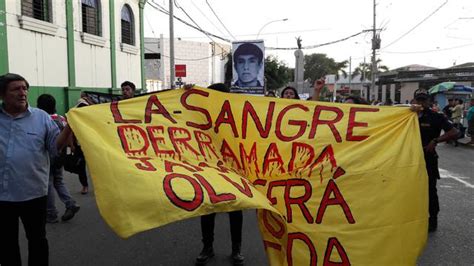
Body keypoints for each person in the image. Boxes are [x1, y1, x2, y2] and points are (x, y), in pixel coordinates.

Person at [0, 73, 72, 265]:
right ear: (2, 95)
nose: (22, 93)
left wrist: (69, 128)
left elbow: (54, 148)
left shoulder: (41, 118)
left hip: (33, 193)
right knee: (6, 243)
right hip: (2, 195)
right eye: (16, 89)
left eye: (25, 88)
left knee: (38, 240)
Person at [195, 83, 245, 266]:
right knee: (208, 210)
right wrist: (186, 92)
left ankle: (236, 249)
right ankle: (207, 247)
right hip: (209, 171)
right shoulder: (201, 115)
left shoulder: (237, 116)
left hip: (233, 171)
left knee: (235, 211)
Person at [412, 89, 458, 233]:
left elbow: (455, 132)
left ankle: (432, 219)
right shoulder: (406, 116)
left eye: (423, 100)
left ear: (428, 101)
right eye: (418, 100)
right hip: (408, 159)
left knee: (430, 189)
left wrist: (436, 140)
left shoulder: (436, 116)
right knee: (408, 188)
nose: (421, 103)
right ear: (414, 101)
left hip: (427, 158)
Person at [37, 94, 80, 223]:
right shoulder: (61, 119)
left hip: (48, 155)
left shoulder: (42, 120)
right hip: (60, 155)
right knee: (59, 181)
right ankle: (70, 203)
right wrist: (71, 147)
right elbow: (69, 134)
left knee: (48, 183)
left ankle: (51, 213)